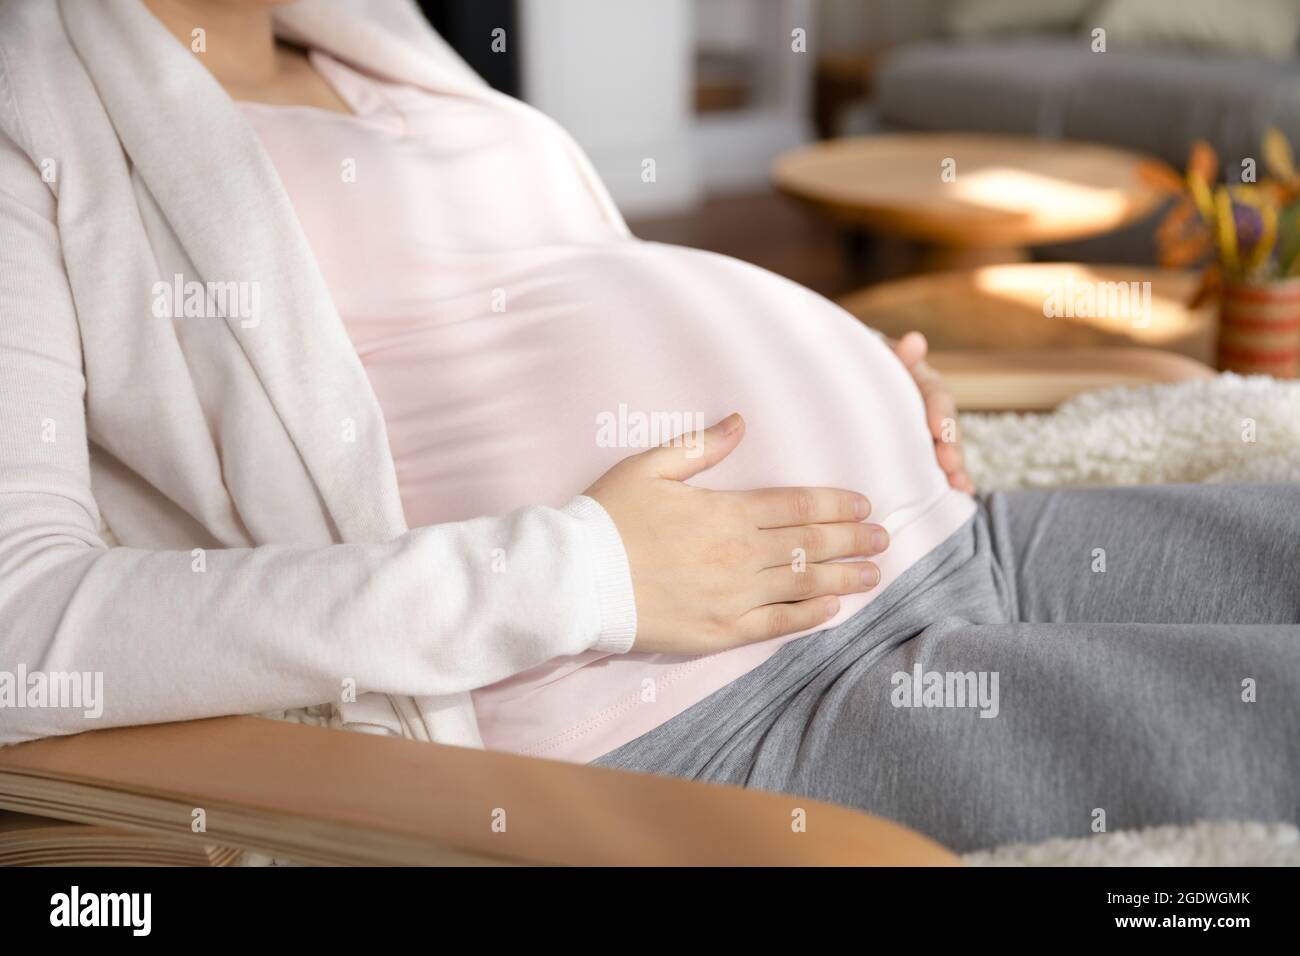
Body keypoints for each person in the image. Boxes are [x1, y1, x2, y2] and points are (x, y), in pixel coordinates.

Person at [0, 0, 1295, 852]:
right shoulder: (33, 105)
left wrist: (854, 384)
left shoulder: (356, 27)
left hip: (961, 530)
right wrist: (587, 574)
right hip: (740, 703)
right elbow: (24, 631)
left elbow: (570, 288)